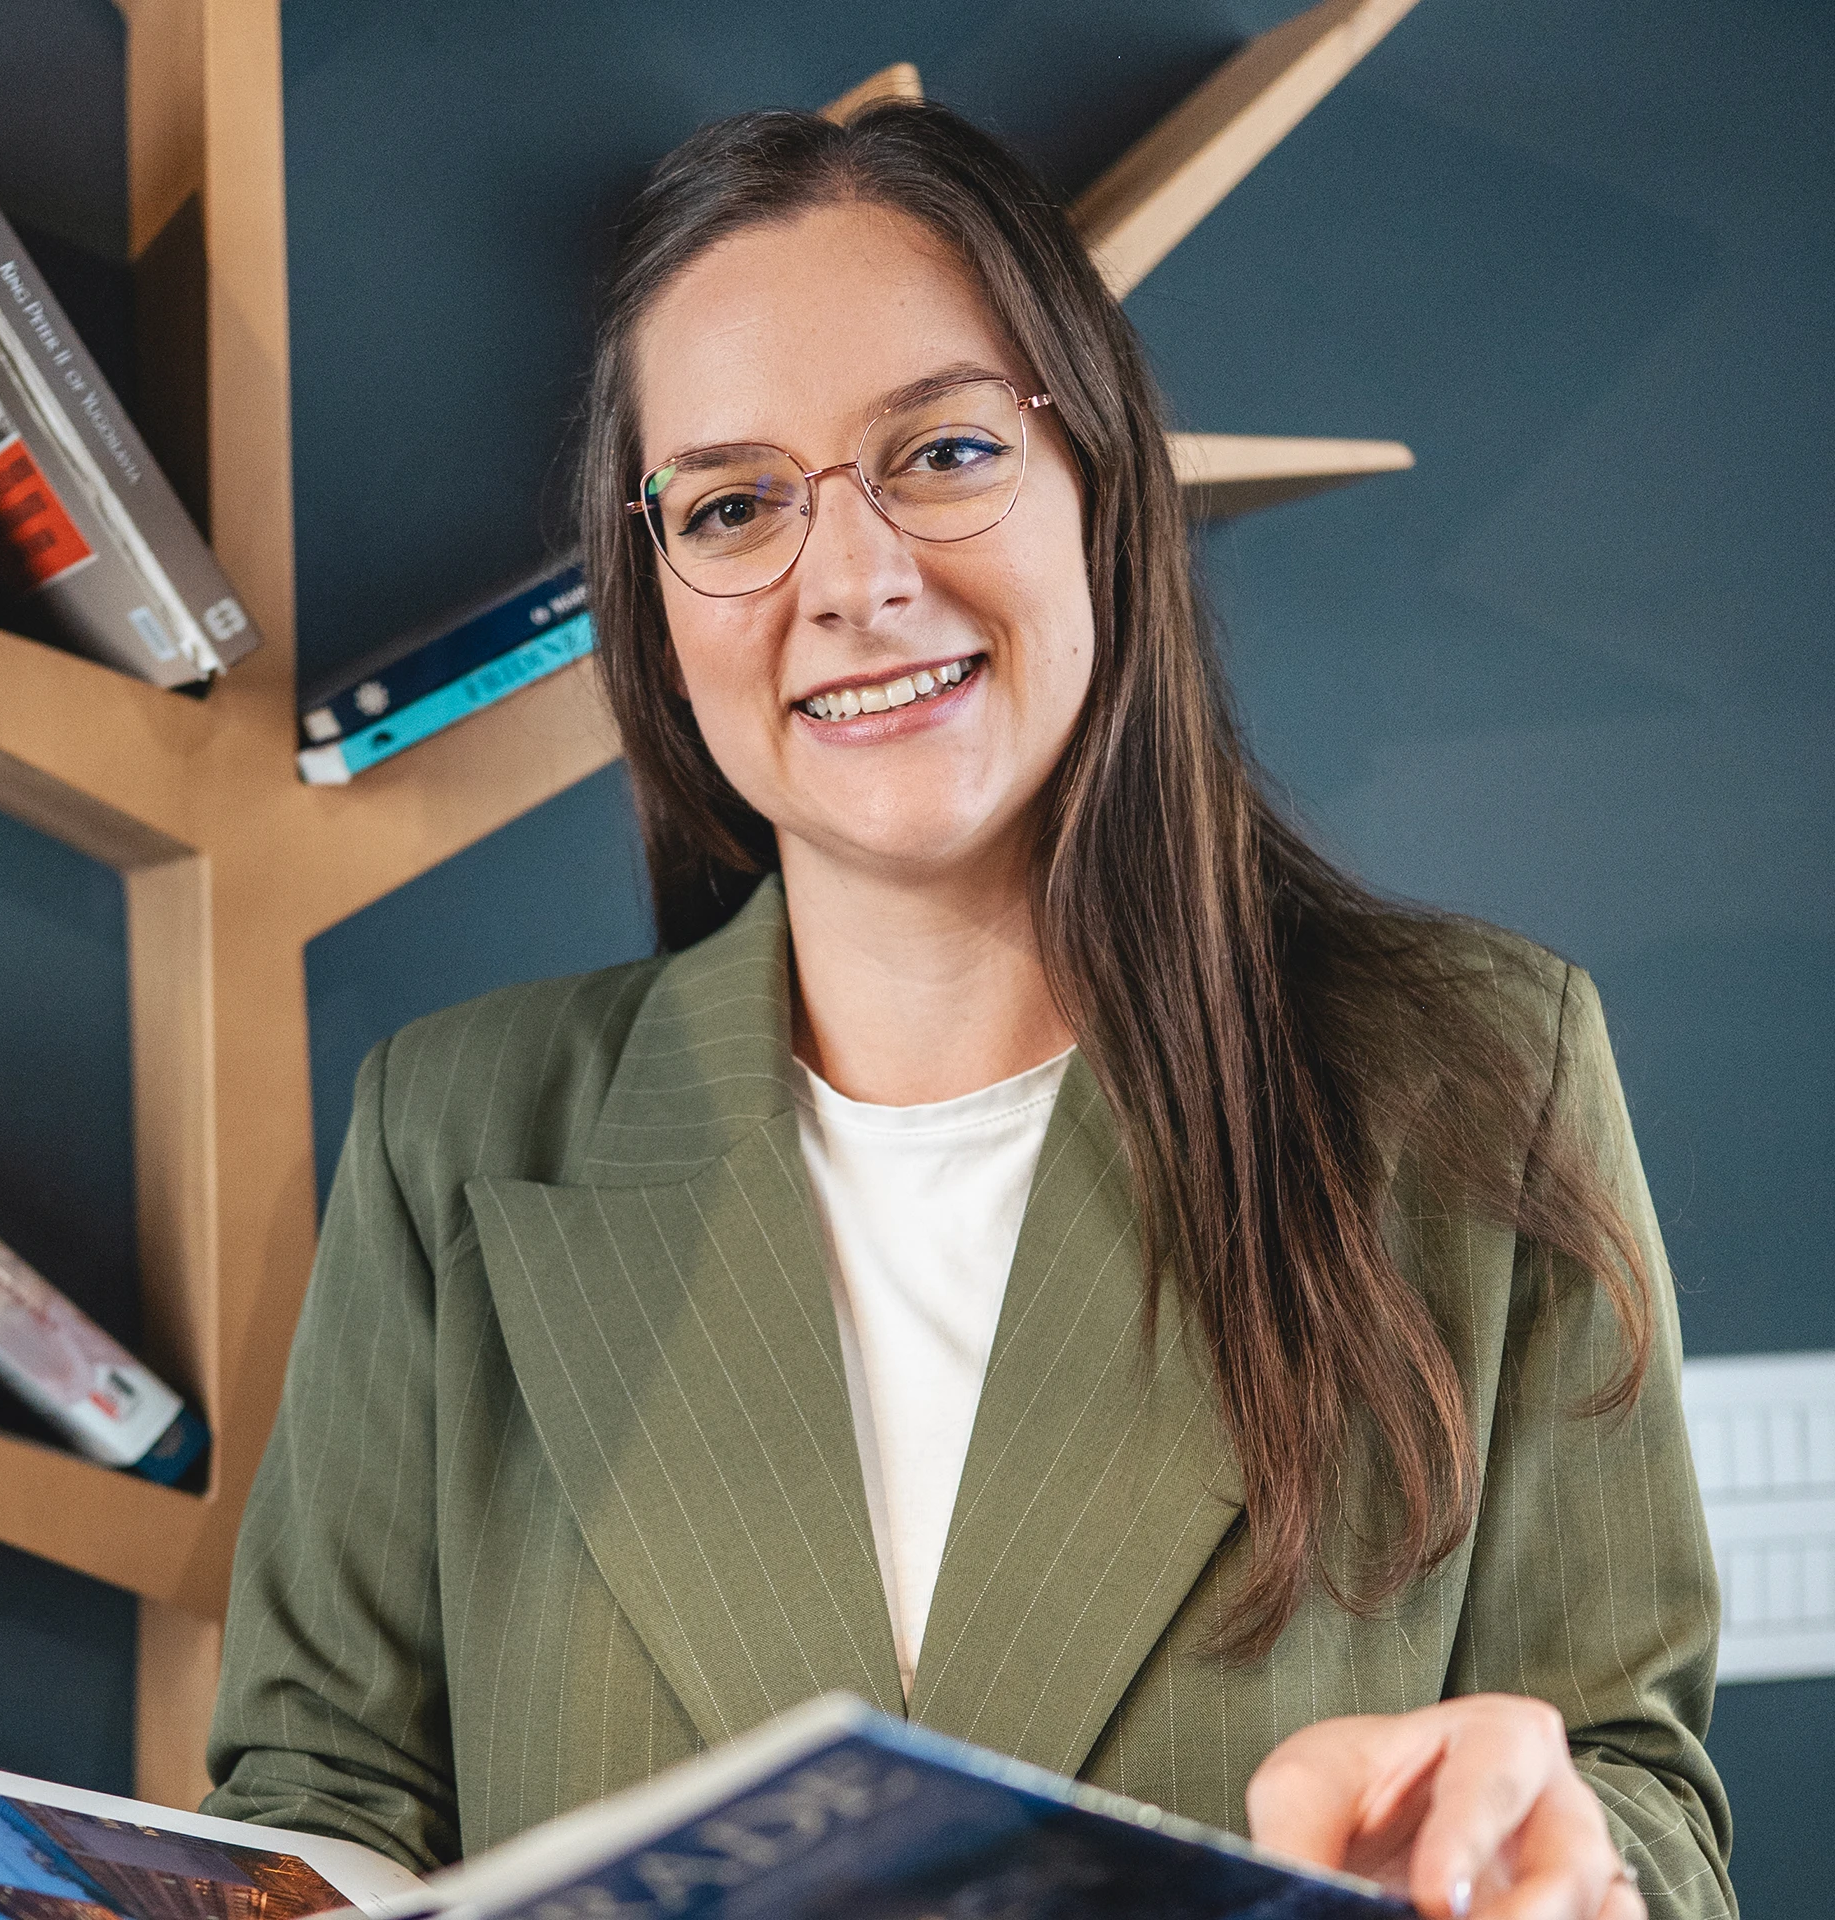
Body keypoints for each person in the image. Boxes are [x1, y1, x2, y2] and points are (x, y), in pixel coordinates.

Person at [202, 102, 1732, 1920]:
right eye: (736, 503)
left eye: (938, 452)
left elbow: (1636, 1790)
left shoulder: (1480, 1071)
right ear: (658, 596)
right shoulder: (453, 1134)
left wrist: (1563, 1878)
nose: (850, 582)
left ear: (1097, 476)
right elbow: (324, 1802)